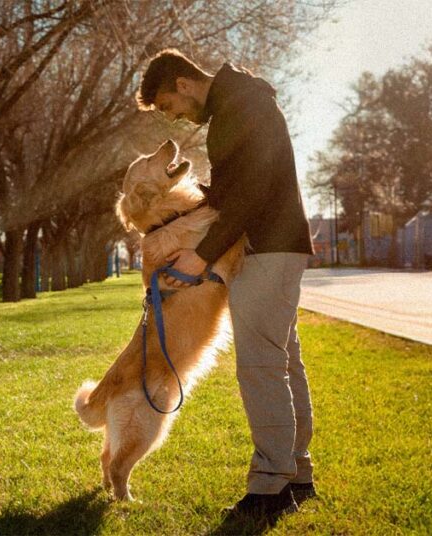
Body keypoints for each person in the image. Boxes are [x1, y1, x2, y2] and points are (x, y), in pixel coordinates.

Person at [136, 49, 316, 522]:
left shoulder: (241, 106)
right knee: (281, 359)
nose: (176, 118)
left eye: (170, 107)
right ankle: (296, 474)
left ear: (183, 84)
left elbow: (252, 192)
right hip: (273, 244)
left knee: (260, 366)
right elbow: (236, 190)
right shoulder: (239, 105)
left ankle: (270, 484)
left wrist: (201, 253)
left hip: (267, 246)